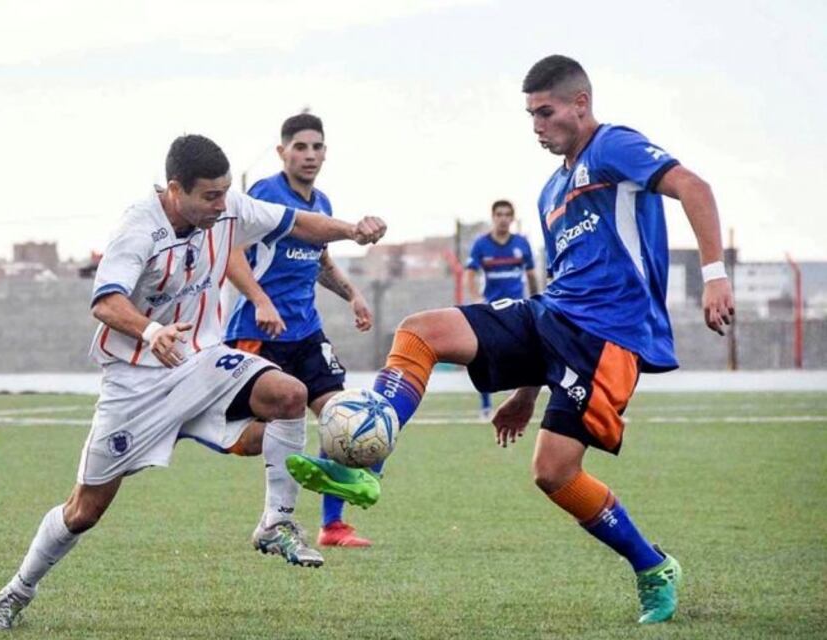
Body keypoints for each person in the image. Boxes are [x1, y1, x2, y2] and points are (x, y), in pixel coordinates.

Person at [289, 55, 735, 624]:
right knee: (420, 331)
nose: (537, 126)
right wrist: (527, 391)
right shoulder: (550, 192)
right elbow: (563, 282)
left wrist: (715, 274)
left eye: (546, 112)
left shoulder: (613, 147)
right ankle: (366, 466)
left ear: (580, 102)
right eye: (530, 115)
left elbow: (694, 186)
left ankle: (652, 566)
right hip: (551, 314)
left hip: (607, 337)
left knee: (554, 473)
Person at [0, 134, 386, 631]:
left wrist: (352, 230)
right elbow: (105, 301)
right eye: (209, 196)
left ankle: (275, 521)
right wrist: (150, 331)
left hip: (202, 361)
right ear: (176, 190)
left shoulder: (228, 207)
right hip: (136, 386)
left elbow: (298, 223)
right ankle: (17, 591)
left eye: (224, 193)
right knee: (84, 510)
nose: (221, 205)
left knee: (289, 395)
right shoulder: (138, 228)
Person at [224, 113, 377, 548]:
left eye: (317, 147)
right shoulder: (264, 194)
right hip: (259, 334)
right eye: (300, 147)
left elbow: (321, 261)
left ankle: (333, 526)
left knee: (340, 420)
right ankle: (203, 427)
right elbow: (231, 252)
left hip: (307, 334)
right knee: (250, 440)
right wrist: (260, 300)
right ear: (282, 152)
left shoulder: (322, 203)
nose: (310, 155)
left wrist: (352, 294)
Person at [465, 199, 539, 419]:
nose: (503, 219)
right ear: (493, 217)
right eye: (499, 214)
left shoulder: (521, 244)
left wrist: (536, 299)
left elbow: (531, 274)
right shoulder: (481, 245)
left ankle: (522, 401)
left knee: (530, 352)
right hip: (491, 309)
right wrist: (477, 298)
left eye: (507, 215)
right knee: (483, 354)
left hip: (518, 309)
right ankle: (486, 406)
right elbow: (470, 273)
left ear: (512, 218)